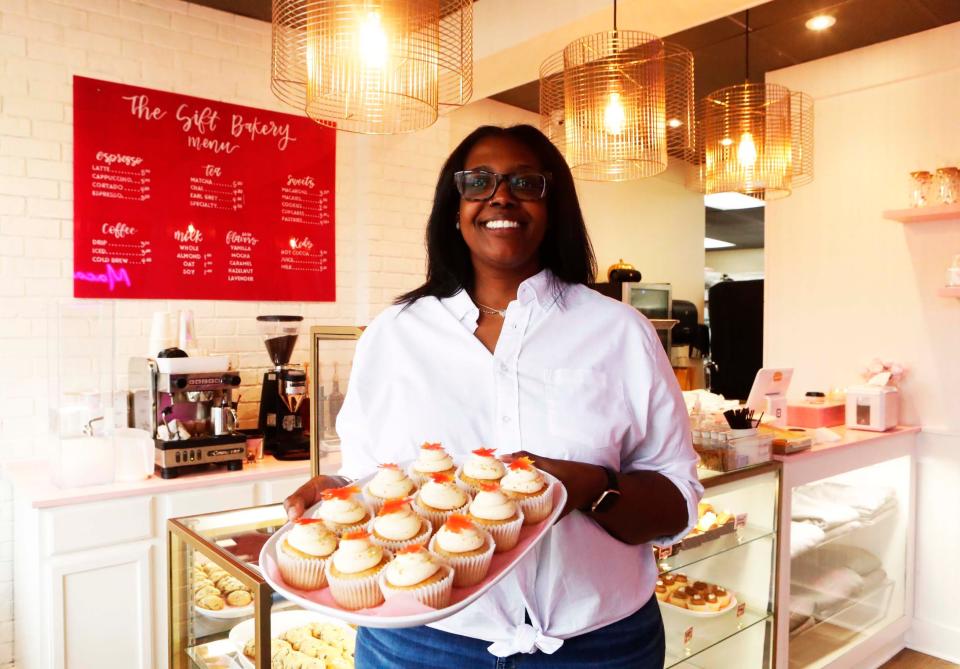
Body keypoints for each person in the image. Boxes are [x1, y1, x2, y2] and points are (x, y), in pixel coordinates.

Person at [284, 124, 702, 668]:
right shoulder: (393, 335)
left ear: (555, 207)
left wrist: (594, 488)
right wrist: (339, 494)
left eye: (526, 182)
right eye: (478, 181)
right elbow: (373, 479)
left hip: (599, 643)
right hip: (421, 642)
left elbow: (677, 500)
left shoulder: (620, 332)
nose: (500, 195)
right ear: (454, 208)